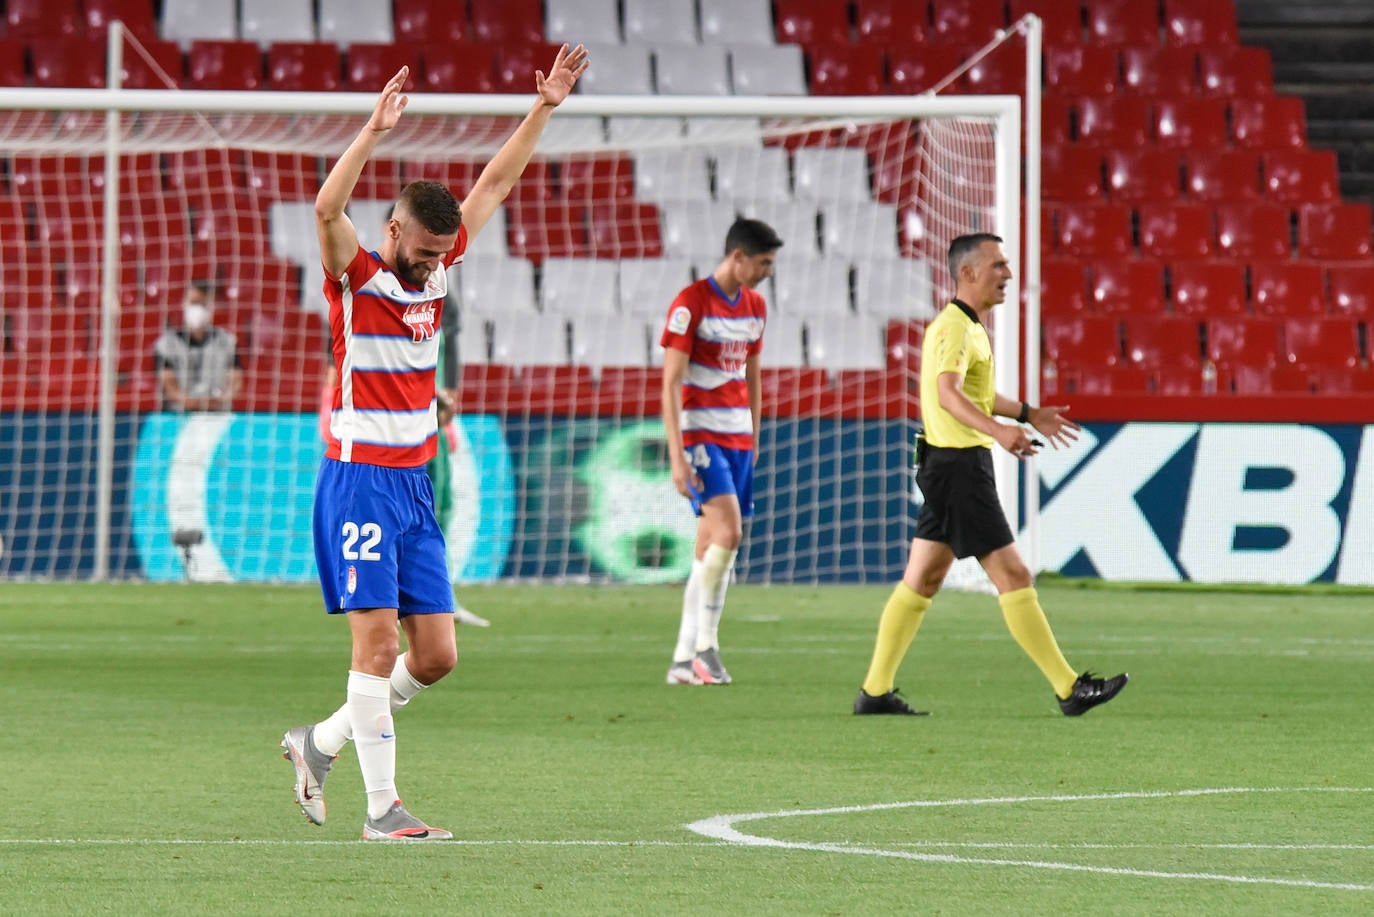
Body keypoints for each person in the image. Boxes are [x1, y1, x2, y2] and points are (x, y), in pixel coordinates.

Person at [281, 45, 588, 841]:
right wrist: (373, 131)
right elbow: (324, 208)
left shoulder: (442, 268)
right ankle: (382, 810)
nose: (427, 266)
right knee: (377, 643)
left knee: (438, 653)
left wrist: (544, 107)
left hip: (413, 485)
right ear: (392, 232)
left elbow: (494, 184)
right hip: (359, 480)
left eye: (435, 255)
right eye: (418, 252)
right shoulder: (356, 277)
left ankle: (318, 742)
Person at [853, 233, 1128, 717]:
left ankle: (874, 693)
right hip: (958, 467)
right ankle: (1069, 689)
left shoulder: (968, 327)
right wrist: (999, 431)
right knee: (1014, 574)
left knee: (923, 578)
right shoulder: (954, 328)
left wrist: (1026, 412)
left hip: (949, 463)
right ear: (967, 273)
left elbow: (974, 394)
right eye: (998, 265)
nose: (1008, 274)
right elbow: (948, 395)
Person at [661, 218, 782, 686]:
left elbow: (752, 373)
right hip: (701, 435)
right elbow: (670, 382)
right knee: (729, 534)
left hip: (737, 438)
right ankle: (705, 649)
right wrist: (677, 454)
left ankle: (680, 659)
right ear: (738, 257)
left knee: (710, 546)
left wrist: (754, 433)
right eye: (764, 263)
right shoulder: (691, 304)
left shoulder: (755, 305)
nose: (768, 271)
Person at [153, 280, 242, 411]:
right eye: (194, 303)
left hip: (217, 417)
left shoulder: (227, 342)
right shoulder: (166, 344)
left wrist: (222, 399)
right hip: (178, 418)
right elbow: (168, 385)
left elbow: (236, 381)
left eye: (203, 304)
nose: (198, 309)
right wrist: (190, 402)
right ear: (184, 303)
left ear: (212, 307)